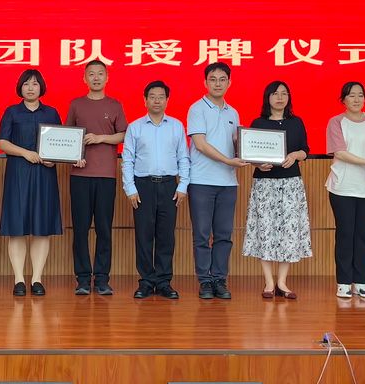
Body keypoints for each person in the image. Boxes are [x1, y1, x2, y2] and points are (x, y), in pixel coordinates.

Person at [242, 81, 311, 300]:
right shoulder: (258, 123)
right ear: (267, 98)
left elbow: (305, 150)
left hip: (290, 184)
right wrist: (257, 164)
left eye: (284, 93)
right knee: (265, 230)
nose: (280, 97)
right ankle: (269, 283)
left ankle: (282, 282)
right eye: (275, 93)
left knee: (288, 232)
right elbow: (249, 153)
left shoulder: (296, 122)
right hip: (265, 184)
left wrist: (296, 155)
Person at [186, 62, 249, 301]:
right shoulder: (197, 109)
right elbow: (200, 145)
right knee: (202, 235)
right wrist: (228, 160)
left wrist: (256, 159)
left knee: (224, 235)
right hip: (201, 181)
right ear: (205, 82)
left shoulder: (233, 113)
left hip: (228, 183)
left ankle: (219, 280)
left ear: (229, 82)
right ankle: (205, 281)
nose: (217, 83)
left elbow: (238, 144)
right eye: (213, 79)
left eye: (222, 79)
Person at [122, 80, 189, 300]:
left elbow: (183, 157)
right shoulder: (135, 127)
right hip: (142, 186)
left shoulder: (176, 126)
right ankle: (146, 281)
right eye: (152, 97)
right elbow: (128, 160)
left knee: (166, 236)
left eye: (161, 97)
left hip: (170, 186)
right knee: (144, 235)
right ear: (145, 100)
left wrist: (183, 186)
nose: (157, 101)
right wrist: (130, 188)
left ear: (167, 100)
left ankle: (163, 282)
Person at [0, 69, 62, 297]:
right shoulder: (12, 112)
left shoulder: (51, 113)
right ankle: (18, 280)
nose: (31, 88)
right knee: (17, 228)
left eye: (35, 83)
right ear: (20, 88)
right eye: (26, 84)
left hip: (44, 174)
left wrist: (54, 160)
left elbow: (61, 144)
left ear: (41, 87)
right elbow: (2, 143)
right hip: (18, 173)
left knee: (41, 228)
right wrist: (26, 153)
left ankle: (36, 279)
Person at [65, 60, 128, 296]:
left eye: (100, 74)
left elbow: (123, 134)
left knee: (104, 228)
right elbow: (68, 137)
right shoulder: (76, 104)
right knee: (80, 229)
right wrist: (74, 157)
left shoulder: (115, 105)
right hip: (80, 176)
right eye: (91, 74)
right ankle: (82, 278)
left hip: (106, 175)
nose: (96, 78)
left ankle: (102, 278)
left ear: (107, 77)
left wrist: (101, 138)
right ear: (84, 78)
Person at [325, 82, 365, 300]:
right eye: (351, 96)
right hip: (343, 186)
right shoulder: (336, 122)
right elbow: (339, 152)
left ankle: (361, 281)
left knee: (363, 235)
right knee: (345, 234)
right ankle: (343, 282)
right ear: (343, 100)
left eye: (360, 95)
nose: (356, 99)